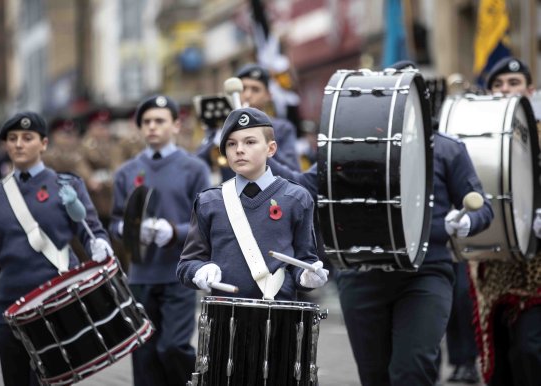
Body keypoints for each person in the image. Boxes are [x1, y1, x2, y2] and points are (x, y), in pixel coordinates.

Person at [330, 62, 495, 386]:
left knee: (412, 370)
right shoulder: (351, 145)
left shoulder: (448, 148)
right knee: (374, 377)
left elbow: (483, 206)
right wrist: (261, 158)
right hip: (363, 272)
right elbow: (306, 187)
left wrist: (468, 222)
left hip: (426, 273)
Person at [0, 112, 113, 386]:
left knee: (52, 381)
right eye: (12, 139)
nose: (19, 144)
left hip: (57, 300)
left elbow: (91, 230)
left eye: (27, 138)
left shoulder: (67, 185)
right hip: (11, 302)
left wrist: (99, 244)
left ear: (43, 144)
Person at [110, 94, 211, 386]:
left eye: (159, 121)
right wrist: (129, 230)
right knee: (144, 353)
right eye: (146, 122)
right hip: (140, 275)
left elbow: (206, 220)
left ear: (176, 125)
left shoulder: (194, 168)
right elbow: (115, 221)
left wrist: (175, 231)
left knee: (173, 347)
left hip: (179, 273)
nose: (152, 127)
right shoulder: (127, 172)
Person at [177, 106, 327, 300]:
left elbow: (304, 261)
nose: (239, 150)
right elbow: (187, 264)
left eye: (250, 142)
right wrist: (200, 270)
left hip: (280, 317)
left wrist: (307, 276)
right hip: (224, 316)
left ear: (271, 148)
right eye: (231, 144)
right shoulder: (209, 201)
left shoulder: (296, 197)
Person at [469, 56, 541, 386]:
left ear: (530, 90)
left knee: (530, 348)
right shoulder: (477, 137)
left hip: (537, 267)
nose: (505, 90)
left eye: (513, 84)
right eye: (497, 85)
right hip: (496, 264)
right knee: (502, 358)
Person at [236, 63, 301, 172]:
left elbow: (292, 171)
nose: (247, 95)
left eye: (255, 89)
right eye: (243, 89)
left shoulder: (282, 128)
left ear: (268, 95)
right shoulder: (225, 126)